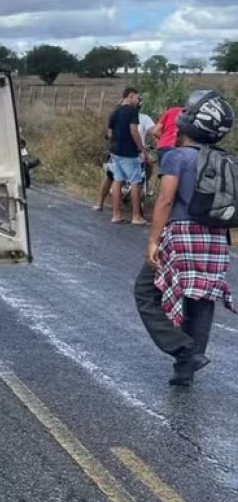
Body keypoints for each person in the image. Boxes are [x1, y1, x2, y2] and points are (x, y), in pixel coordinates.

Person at [134, 91, 234, 387]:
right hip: (215, 238)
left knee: (145, 293)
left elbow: (165, 200)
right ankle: (185, 369)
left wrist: (153, 240)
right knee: (201, 300)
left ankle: (184, 350)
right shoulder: (223, 159)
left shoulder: (177, 157)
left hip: (182, 235)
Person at [106, 88, 150, 225]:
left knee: (117, 181)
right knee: (136, 182)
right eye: (137, 97)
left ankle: (116, 215)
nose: (138, 100)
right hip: (129, 153)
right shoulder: (132, 111)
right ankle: (136, 216)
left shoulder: (115, 111)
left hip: (115, 152)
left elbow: (109, 134)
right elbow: (134, 131)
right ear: (130, 96)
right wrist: (142, 149)